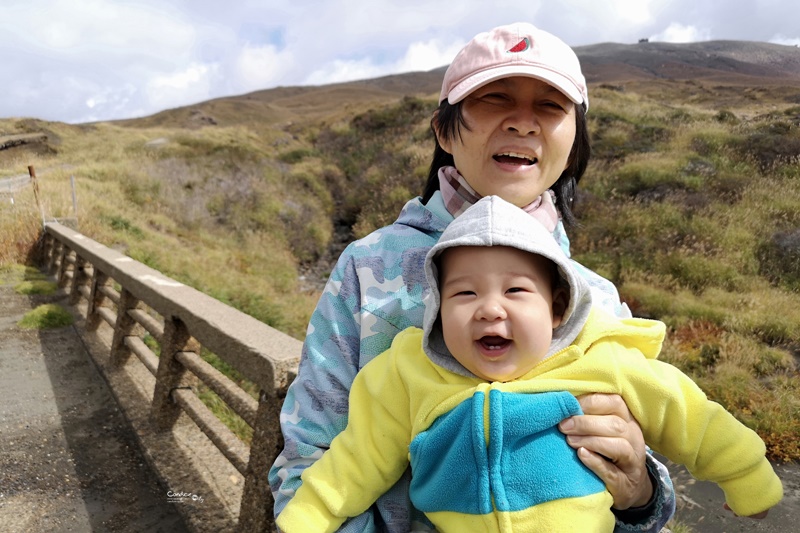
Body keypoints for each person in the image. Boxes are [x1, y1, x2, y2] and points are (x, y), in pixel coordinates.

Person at [270, 22, 678, 531]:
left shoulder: (596, 297)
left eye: (551, 107)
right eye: (494, 98)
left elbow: (640, 493)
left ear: (574, 142)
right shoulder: (367, 267)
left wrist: (640, 492)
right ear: (444, 130)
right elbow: (307, 462)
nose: (523, 123)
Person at [275, 196, 783, 533]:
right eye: (465, 293)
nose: (490, 308)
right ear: (434, 309)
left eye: (516, 290)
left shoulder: (600, 360)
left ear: (558, 308)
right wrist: (308, 517)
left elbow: (690, 414)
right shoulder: (409, 375)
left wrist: (746, 476)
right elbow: (357, 457)